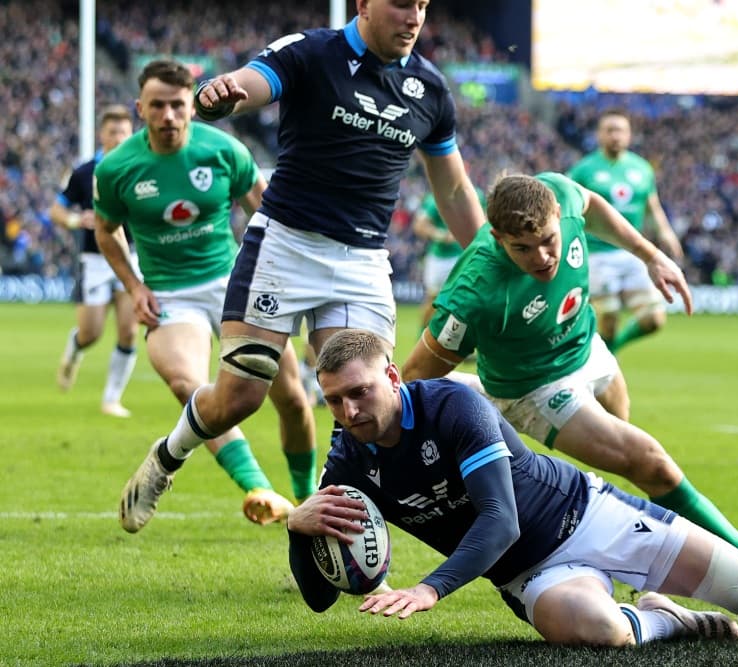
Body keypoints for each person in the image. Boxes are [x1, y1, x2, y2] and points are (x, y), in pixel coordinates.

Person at [116, 0, 485, 533]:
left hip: (361, 260)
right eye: (402, 4)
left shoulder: (428, 88)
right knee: (240, 398)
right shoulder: (312, 52)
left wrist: (492, 257)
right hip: (285, 247)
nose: (414, 17)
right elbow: (249, 82)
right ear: (363, 4)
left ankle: (330, 537)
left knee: (362, 405)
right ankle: (167, 457)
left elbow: (452, 188)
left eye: (423, 6)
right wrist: (221, 94)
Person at [402, 172, 738, 610]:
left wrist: (650, 255)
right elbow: (415, 372)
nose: (543, 257)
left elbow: (593, 204)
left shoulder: (560, 194)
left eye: (549, 240)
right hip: (534, 389)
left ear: (556, 215)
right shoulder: (476, 291)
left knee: (634, 465)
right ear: (497, 237)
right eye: (522, 249)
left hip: (587, 346)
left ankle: (654, 571)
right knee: (652, 464)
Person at [287, 329, 738, 646]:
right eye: (333, 399)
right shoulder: (349, 464)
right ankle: (665, 618)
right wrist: (297, 527)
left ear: (394, 378)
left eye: (360, 392)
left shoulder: (452, 406)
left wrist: (430, 588)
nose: (349, 411)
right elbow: (320, 599)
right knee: (602, 633)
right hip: (528, 574)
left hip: (589, 515)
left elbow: (501, 520)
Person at [94, 60, 317, 531]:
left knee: (294, 399)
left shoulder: (224, 150)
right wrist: (135, 286)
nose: (169, 115)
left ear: (192, 106)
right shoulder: (117, 168)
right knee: (188, 384)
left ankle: (310, 498)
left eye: (178, 105)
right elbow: (106, 231)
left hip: (235, 284)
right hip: (169, 294)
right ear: (141, 109)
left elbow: (268, 213)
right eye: (158, 106)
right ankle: (257, 486)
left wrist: (284, 278)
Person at [567, 110, 684, 354]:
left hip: (632, 252)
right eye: (609, 130)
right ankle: (603, 368)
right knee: (607, 321)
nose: (615, 135)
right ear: (599, 135)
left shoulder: (642, 168)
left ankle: (610, 356)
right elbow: (568, 206)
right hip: (597, 253)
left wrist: (665, 231)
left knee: (654, 319)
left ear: (629, 135)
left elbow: (652, 206)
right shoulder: (584, 170)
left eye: (620, 130)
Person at [50, 105, 139, 418]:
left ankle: (111, 399)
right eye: (113, 132)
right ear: (102, 134)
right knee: (92, 332)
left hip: (130, 257)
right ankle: (75, 348)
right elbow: (56, 211)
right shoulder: (85, 172)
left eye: (124, 133)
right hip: (94, 260)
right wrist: (76, 220)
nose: (118, 138)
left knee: (129, 331)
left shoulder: (141, 168)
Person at [411, 186, 485, 331]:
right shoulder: (435, 198)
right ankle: (423, 335)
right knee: (433, 301)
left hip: (465, 255)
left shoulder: (477, 194)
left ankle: (459, 341)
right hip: (440, 259)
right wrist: (441, 235)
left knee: (466, 300)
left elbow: (486, 219)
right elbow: (419, 226)